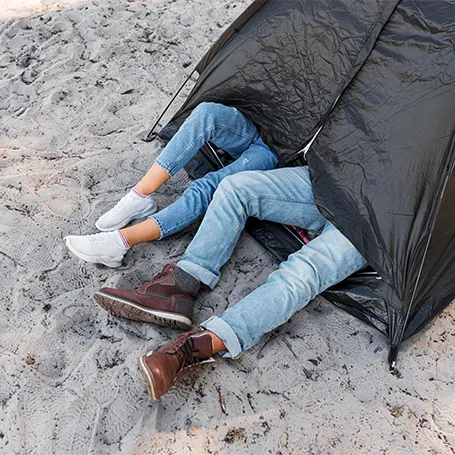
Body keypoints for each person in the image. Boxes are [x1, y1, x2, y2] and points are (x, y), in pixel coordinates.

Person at [65, 102, 367, 401]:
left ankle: (197, 346)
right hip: (332, 178)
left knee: (303, 274)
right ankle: (178, 286)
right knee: (234, 188)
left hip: (380, 221)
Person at [64, 102, 278, 268]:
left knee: (209, 185)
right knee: (207, 113)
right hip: (265, 126)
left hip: (280, 149)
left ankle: (119, 243)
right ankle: (138, 197)